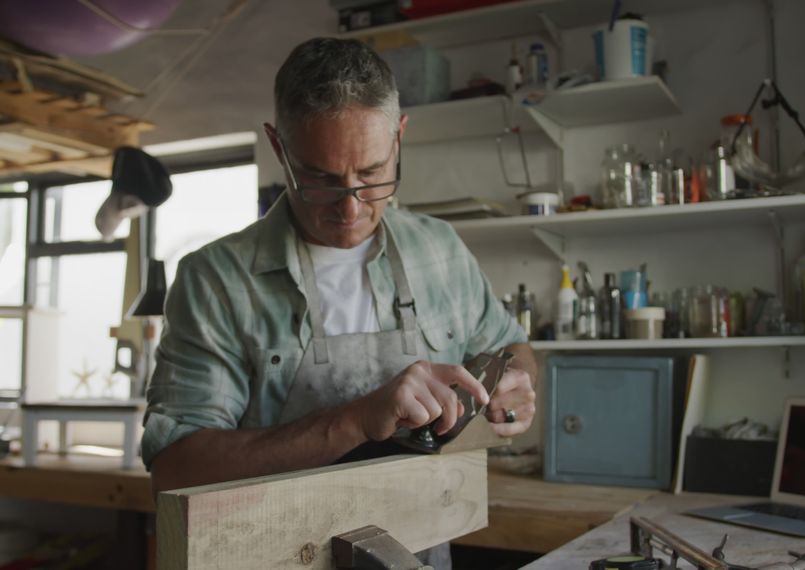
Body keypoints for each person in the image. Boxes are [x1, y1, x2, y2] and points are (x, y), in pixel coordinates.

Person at [141, 37, 537, 567]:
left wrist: (511, 388)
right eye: (322, 180)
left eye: (372, 175)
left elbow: (509, 346)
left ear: (398, 139)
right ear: (279, 147)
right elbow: (175, 468)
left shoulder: (440, 250)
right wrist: (352, 420)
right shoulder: (215, 280)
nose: (350, 208)